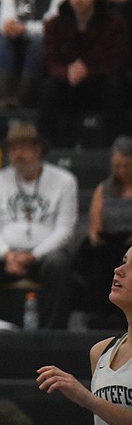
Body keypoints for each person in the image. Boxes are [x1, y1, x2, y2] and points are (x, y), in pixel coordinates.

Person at [0, 122, 77, 330]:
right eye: (13, 148)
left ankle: (53, 333)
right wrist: (7, 254)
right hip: (7, 256)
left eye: (23, 147)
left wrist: (34, 255)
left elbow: (65, 230)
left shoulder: (64, 181)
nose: (17, 154)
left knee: (60, 264)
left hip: (44, 256)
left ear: (38, 149)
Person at [37, 246, 132, 425]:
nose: (118, 270)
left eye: (131, 267)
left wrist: (86, 398)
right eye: (123, 261)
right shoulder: (101, 352)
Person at [38, 0, 130, 147]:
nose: (78, 0)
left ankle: (114, 147)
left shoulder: (114, 22)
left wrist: (88, 70)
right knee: (48, 87)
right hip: (68, 84)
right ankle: (46, 146)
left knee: (116, 86)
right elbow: (49, 62)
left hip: (100, 83)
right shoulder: (55, 24)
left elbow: (119, 60)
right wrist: (67, 72)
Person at [77, 136, 132, 329]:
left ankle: (120, 314)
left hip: (129, 243)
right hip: (107, 239)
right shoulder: (104, 188)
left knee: (123, 257)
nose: (122, 170)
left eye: (126, 165)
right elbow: (94, 225)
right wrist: (96, 239)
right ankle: (95, 313)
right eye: (118, 165)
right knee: (98, 256)